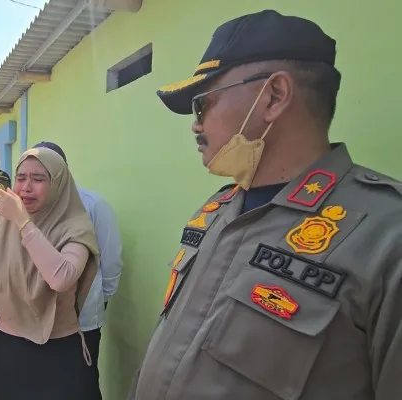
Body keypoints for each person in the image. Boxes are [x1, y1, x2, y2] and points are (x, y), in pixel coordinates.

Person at [129, 9, 402, 400]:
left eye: (202, 103)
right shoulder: (218, 209)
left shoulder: (386, 237)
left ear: (273, 96)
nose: (195, 124)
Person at [0, 147, 100, 400]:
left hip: (60, 357)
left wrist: (24, 223)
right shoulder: (0, 227)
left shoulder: (76, 227)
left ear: (58, 183)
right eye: (21, 177)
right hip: (7, 353)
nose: (26, 187)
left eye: (38, 179)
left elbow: (61, 278)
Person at [33, 141, 123, 399]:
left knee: (81, 386)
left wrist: (96, 302)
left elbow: (111, 260)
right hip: (37, 321)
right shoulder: (27, 209)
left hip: (82, 320)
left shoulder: (93, 205)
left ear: (64, 170)